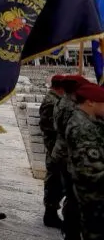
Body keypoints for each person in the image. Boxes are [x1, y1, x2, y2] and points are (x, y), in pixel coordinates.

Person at [64, 80, 104, 240]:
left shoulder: (88, 121)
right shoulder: (82, 126)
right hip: (93, 196)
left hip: (92, 194)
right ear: (90, 102)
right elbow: (90, 170)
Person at [52, 74, 85, 240]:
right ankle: (72, 237)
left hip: (64, 155)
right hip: (67, 157)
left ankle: (70, 233)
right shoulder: (67, 106)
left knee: (70, 196)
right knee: (73, 198)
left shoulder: (64, 102)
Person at [39, 75, 68, 228]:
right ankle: (50, 213)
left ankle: (51, 212)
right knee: (54, 181)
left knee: (57, 181)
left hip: (56, 147)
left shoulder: (57, 99)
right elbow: (48, 126)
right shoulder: (51, 101)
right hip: (54, 147)